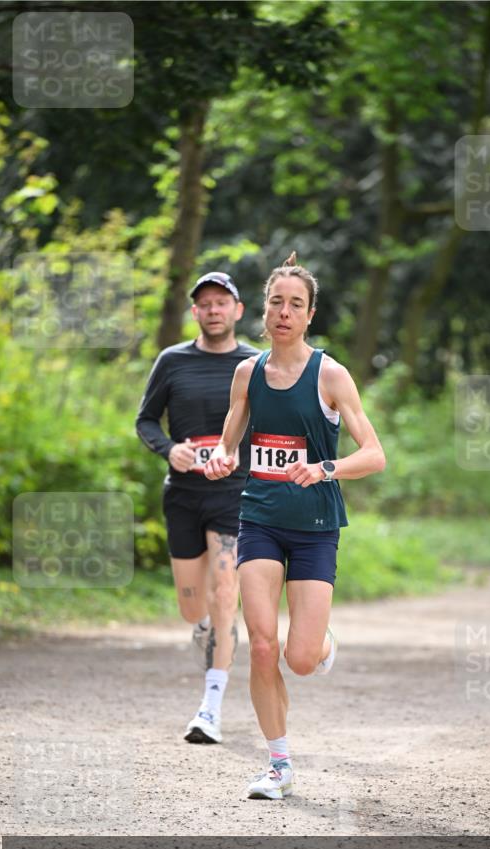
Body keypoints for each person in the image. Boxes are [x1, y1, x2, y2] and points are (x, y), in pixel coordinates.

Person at [203, 252, 385, 799]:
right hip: (259, 519)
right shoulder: (247, 372)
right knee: (261, 646)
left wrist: (325, 466)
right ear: (264, 310)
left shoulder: (330, 374)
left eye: (296, 304)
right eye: (276, 302)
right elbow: (229, 441)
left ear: (310, 315)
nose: (284, 312)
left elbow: (374, 454)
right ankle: (278, 765)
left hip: (314, 525)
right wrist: (218, 457)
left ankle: (321, 642)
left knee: (298, 659)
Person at [136, 271, 259, 742]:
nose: (213, 310)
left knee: (226, 593)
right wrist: (169, 449)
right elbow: (145, 419)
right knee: (195, 608)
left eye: (221, 302)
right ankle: (206, 626)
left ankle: (210, 707)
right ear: (195, 312)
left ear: (238, 310)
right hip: (184, 494)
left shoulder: (254, 363)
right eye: (204, 303)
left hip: (234, 493)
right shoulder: (172, 361)